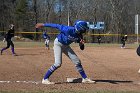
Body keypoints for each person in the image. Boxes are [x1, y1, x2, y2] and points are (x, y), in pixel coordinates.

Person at [36, 20, 96, 84]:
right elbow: (55, 25)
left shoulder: (79, 36)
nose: (85, 31)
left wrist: (81, 44)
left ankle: (85, 78)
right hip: (58, 44)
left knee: (77, 61)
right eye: (84, 29)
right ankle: (45, 79)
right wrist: (43, 25)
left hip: (66, 46)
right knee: (58, 63)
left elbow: (82, 48)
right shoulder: (68, 29)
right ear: (80, 28)